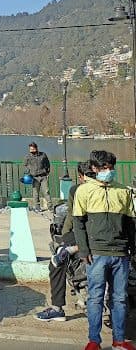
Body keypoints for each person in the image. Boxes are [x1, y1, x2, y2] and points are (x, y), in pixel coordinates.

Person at [73, 150, 136, 350]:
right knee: (95, 298)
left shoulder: (123, 191)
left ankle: (119, 340)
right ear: (94, 168)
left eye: (110, 167)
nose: (108, 170)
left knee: (120, 298)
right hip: (96, 254)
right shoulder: (84, 191)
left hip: (120, 253)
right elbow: (78, 223)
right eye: (103, 167)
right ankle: (94, 341)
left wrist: (132, 250)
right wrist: (84, 250)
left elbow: (131, 224)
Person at [35, 162, 94, 322]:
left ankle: (57, 308)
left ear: (80, 177)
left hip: (87, 238)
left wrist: (66, 238)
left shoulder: (77, 190)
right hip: (105, 239)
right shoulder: (114, 190)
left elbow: (73, 218)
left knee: (56, 263)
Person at [24, 142, 52, 212]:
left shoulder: (43, 155)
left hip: (43, 176)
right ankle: (37, 207)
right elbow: (25, 165)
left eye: (33, 149)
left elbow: (47, 164)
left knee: (46, 192)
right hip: (34, 177)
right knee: (35, 193)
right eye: (30, 149)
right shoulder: (28, 157)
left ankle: (50, 206)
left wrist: (47, 172)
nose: (31, 150)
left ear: (36, 148)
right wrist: (28, 172)